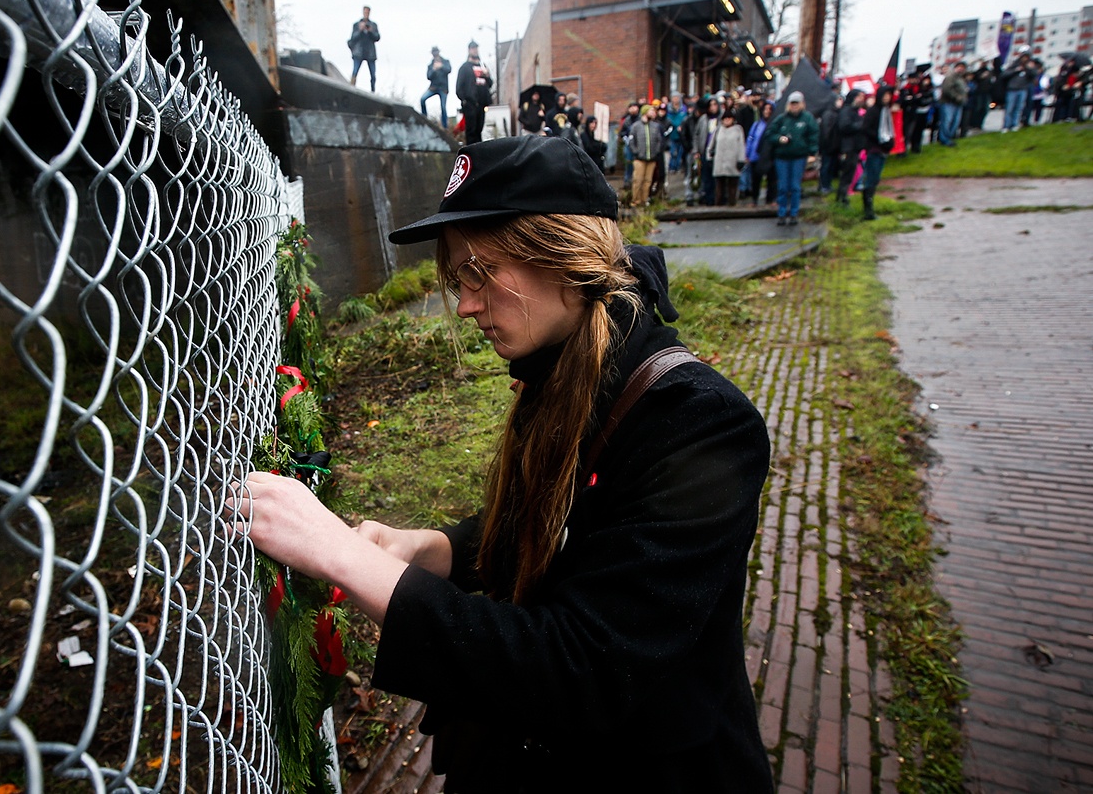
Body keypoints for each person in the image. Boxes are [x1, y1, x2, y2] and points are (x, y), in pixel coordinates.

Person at [236, 135, 774, 792]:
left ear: (560, 252)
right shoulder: (567, 363)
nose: (463, 305)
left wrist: (352, 562)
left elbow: (587, 668)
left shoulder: (700, 422)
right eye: (459, 280)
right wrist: (434, 550)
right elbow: (565, 524)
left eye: (479, 273)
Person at [765, 91, 819, 226]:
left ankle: (794, 213)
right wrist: (779, 139)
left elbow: (813, 135)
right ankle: (782, 213)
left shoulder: (807, 118)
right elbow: (769, 134)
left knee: (795, 186)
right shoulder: (782, 119)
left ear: (802, 104)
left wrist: (812, 153)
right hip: (782, 157)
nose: (794, 106)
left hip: (799, 157)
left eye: (796, 103)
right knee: (783, 187)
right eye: (792, 103)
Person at [859, 85, 898, 221]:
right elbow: (866, 128)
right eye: (885, 95)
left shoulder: (886, 111)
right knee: (871, 179)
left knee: (875, 179)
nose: (887, 98)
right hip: (874, 149)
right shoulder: (873, 111)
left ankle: (870, 207)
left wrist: (889, 141)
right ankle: (868, 210)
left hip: (883, 149)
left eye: (889, 95)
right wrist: (879, 139)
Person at [627, 104, 666, 207]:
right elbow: (631, 141)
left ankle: (644, 201)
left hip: (651, 159)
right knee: (638, 180)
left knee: (648, 181)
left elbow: (659, 141)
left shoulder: (655, 126)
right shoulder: (636, 126)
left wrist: (656, 152)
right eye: (651, 111)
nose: (654, 113)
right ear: (645, 112)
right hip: (639, 159)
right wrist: (636, 152)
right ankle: (635, 201)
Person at [455, 40, 493, 145]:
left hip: (482, 103)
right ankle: (471, 154)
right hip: (470, 103)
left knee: (479, 130)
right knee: (471, 131)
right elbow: (459, 87)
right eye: (473, 48)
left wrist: (487, 75)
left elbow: (490, 84)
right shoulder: (465, 68)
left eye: (476, 48)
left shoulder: (483, 66)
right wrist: (465, 100)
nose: (475, 51)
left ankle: (479, 153)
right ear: (469, 50)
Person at [834, 90, 867, 206]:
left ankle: (842, 197)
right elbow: (844, 126)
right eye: (859, 97)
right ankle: (842, 197)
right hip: (848, 147)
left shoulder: (855, 111)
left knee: (850, 173)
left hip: (854, 146)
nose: (861, 99)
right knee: (846, 173)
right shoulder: (847, 111)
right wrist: (861, 125)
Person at [709, 111, 746, 206]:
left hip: (733, 162)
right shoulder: (718, 130)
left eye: (729, 118)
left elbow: (741, 146)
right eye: (725, 118)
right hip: (720, 162)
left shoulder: (738, 130)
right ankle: (718, 205)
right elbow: (711, 145)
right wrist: (710, 156)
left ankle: (732, 204)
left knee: (732, 186)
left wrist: (741, 160)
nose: (727, 120)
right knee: (719, 187)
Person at [744, 100, 776, 206]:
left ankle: (770, 199)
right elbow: (750, 139)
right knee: (755, 179)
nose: (767, 111)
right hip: (755, 155)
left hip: (770, 156)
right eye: (765, 109)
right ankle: (754, 199)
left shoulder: (775, 124)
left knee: (772, 179)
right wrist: (747, 154)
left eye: (769, 109)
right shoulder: (757, 124)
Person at [694, 98, 721, 205]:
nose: (713, 107)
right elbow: (696, 135)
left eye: (715, 105)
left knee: (716, 177)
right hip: (705, 151)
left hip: (718, 152)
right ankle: (708, 198)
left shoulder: (721, 118)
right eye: (711, 105)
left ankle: (717, 198)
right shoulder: (703, 119)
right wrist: (696, 150)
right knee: (706, 177)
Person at [348, 5, 380, 92]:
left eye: (368, 12)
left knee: (373, 75)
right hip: (359, 52)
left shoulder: (373, 25)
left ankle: (373, 90)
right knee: (354, 72)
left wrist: (370, 31)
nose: (366, 14)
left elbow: (377, 37)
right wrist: (360, 30)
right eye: (365, 12)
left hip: (370, 53)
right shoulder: (356, 25)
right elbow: (353, 38)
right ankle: (351, 88)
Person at [1001, 51, 1035, 133]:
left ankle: (1014, 124)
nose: (1025, 59)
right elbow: (1004, 75)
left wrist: (1030, 69)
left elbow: (1033, 75)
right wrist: (1016, 70)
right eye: (1024, 57)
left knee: (1018, 108)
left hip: (1023, 89)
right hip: (1012, 90)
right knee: (1009, 108)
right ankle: (1006, 126)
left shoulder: (1029, 67)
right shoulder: (1014, 65)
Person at [816, 94, 843, 194]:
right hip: (828, 146)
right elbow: (826, 131)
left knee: (830, 166)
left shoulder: (835, 113)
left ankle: (827, 184)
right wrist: (827, 144)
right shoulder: (828, 114)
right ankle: (824, 185)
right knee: (826, 166)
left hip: (833, 145)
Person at [938, 62, 968, 145]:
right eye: (959, 67)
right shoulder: (950, 77)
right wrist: (957, 97)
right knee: (947, 121)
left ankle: (949, 138)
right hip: (949, 102)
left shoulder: (961, 78)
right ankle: (944, 139)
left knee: (955, 122)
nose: (961, 69)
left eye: (963, 67)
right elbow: (947, 89)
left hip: (958, 103)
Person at [421, 47, 452, 127]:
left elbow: (449, 70)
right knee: (422, 99)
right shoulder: (430, 65)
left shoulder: (445, 62)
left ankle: (445, 126)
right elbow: (428, 76)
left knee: (443, 107)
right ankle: (424, 119)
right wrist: (434, 69)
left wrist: (441, 66)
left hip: (443, 88)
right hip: (433, 87)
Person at [619, 101, 642, 185]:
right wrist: (626, 138)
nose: (633, 109)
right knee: (628, 161)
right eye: (631, 107)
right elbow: (622, 132)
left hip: (639, 144)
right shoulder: (627, 120)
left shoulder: (640, 119)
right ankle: (627, 179)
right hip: (629, 144)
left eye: (634, 107)